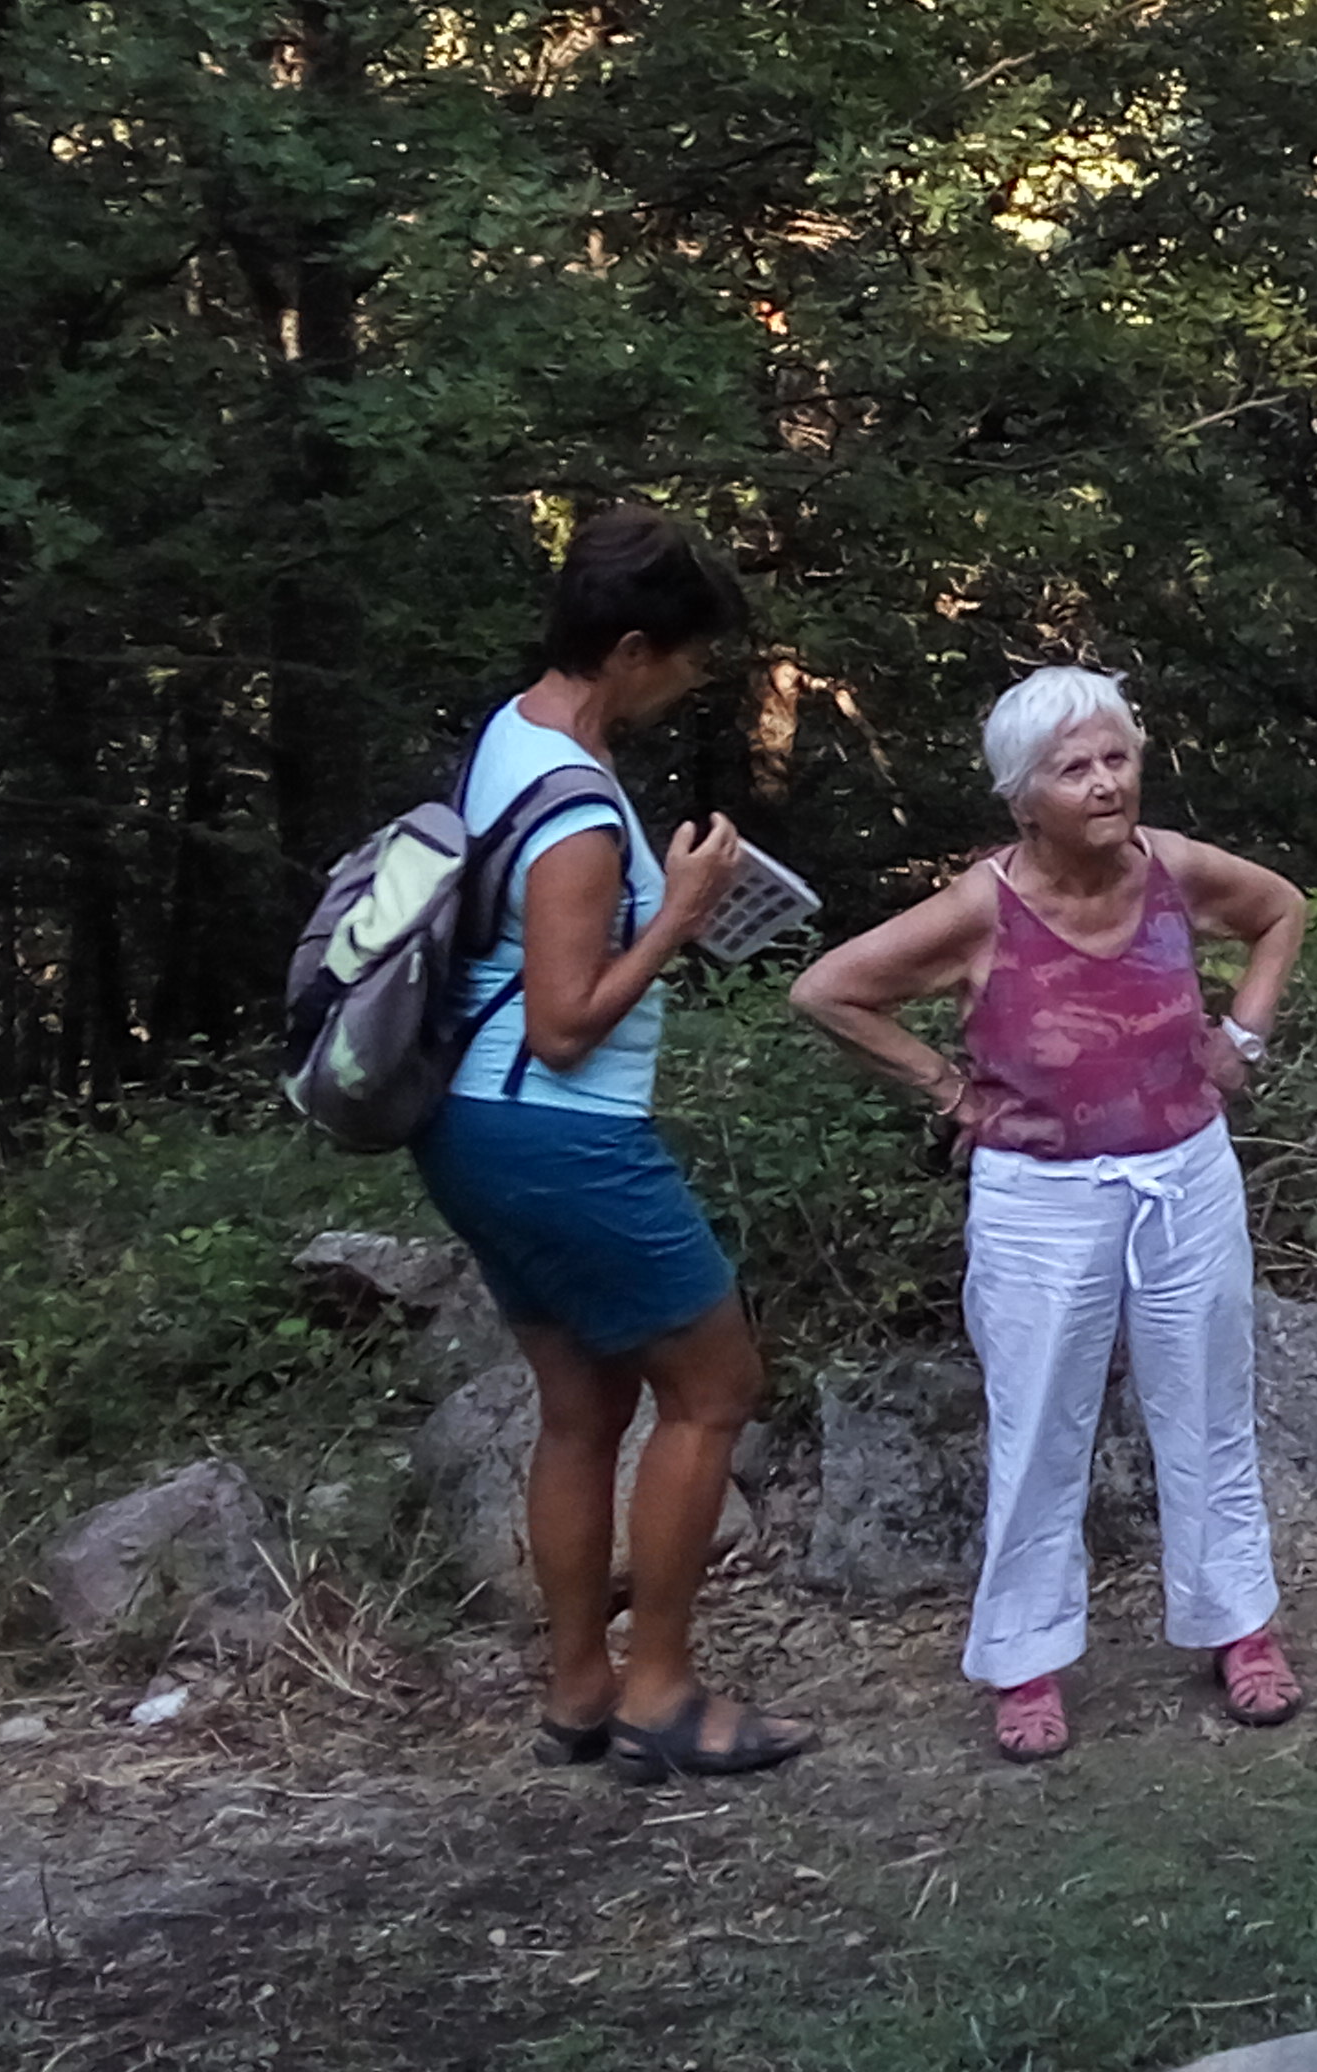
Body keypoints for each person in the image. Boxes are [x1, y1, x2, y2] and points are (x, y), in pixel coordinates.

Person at [790, 665, 1313, 1760]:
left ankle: (1240, 1627)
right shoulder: (981, 907)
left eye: (1117, 757)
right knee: (1035, 1424)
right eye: (1074, 769)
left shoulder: (1172, 868)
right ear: (1022, 796)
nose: (1105, 783)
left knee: (1209, 1407)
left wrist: (1243, 1038)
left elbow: (1279, 910)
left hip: (1185, 1175)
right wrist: (949, 1090)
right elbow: (828, 990)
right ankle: (1025, 1659)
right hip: (1040, 1197)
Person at [407, 505, 810, 1780]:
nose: (689, 683)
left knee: (583, 1406)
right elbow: (566, 1022)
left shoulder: (512, 739)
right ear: (631, 649)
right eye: (686, 658)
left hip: (474, 1129)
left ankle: (580, 1687)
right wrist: (679, 914)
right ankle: (661, 1695)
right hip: (556, 1131)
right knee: (717, 1385)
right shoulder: (575, 809)